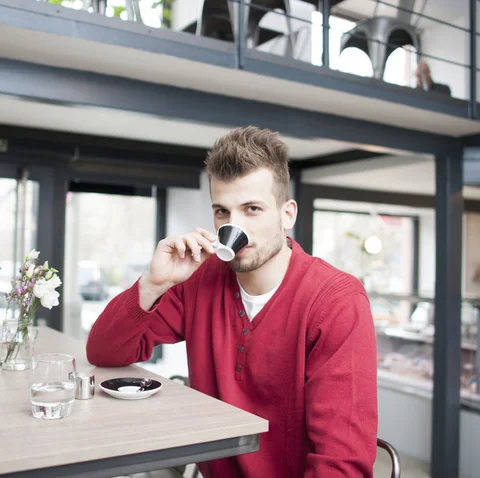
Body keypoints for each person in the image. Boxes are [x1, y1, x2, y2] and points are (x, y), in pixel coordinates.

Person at [86, 126, 378, 477]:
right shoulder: (198, 280)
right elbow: (104, 353)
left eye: (251, 209)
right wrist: (154, 283)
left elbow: (341, 465)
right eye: (222, 212)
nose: (233, 226)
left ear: (287, 215)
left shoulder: (336, 302)